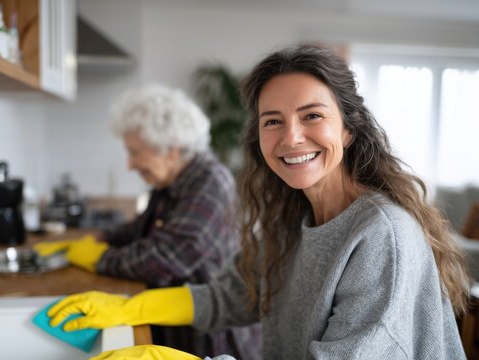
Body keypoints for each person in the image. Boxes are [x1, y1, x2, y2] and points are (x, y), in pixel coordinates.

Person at [44, 45, 470, 359]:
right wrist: (133, 307)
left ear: (348, 130)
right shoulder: (291, 214)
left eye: (312, 115)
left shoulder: (382, 235)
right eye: (273, 121)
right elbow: (237, 293)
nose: (291, 137)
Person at [34, 84, 261, 359]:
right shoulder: (174, 180)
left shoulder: (209, 182)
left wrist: (99, 258)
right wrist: (99, 239)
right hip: (175, 317)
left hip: (207, 336)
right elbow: (140, 227)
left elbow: (168, 255)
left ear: (171, 149)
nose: (129, 164)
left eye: (135, 152)